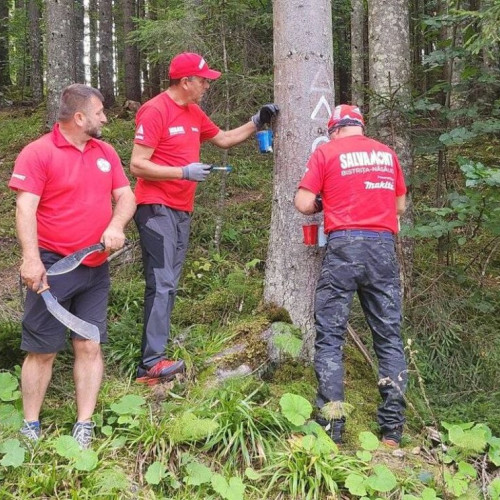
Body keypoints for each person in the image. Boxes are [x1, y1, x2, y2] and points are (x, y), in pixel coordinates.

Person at [130, 52, 278, 385]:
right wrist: (182, 171)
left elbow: (223, 139)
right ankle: (150, 364)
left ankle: (156, 358)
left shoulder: (194, 112)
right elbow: (138, 164)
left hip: (181, 209)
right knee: (162, 282)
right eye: (203, 80)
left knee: (169, 283)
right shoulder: (155, 110)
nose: (207, 85)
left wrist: (256, 121)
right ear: (185, 82)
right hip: (155, 206)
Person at [9, 84, 136, 448]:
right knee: (42, 349)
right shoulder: (38, 153)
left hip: (95, 267)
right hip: (52, 269)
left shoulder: (105, 152)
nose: (105, 118)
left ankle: (84, 424)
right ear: (79, 117)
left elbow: (126, 195)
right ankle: (31, 424)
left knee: (89, 346)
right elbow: (25, 208)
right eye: (99, 113)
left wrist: (115, 225)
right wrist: (31, 259)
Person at [294, 104, 407, 447]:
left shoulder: (327, 153)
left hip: (344, 245)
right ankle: (392, 431)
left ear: (334, 130)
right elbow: (399, 206)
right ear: (359, 126)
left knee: (330, 336)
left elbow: (302, 202)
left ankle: (332, 426)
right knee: (388, 336)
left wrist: (324, 203)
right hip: (382, 246)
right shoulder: (387, 154)